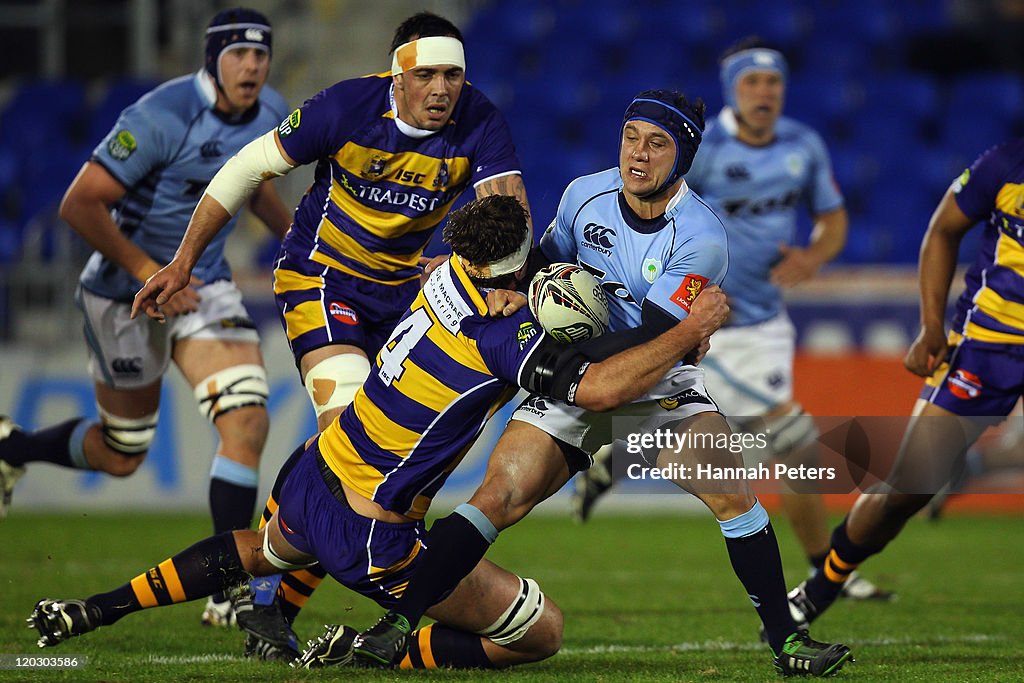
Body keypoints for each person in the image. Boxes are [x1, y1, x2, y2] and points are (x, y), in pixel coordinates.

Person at [28, 194, 731, 671]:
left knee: (261, 549)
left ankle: (100, 605)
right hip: (376, 536)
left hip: (314, 475)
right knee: (540, 631)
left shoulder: (445, 275)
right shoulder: (503, 336)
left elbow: (517, 282)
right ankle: (390, 650)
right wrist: (691, 329)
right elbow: (604, 387)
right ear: (517, 268)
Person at [346, 90, 853, 678]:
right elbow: (541, 263)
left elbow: (654, 341)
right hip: (577, 372)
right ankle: (398, 626)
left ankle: (787, 643)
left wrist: (567, 355)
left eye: (657, 143)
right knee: (497, 498)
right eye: (630, 137)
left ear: (683, 157)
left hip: (657, 375)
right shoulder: (584, 194)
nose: (637, 154)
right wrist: (476, 276)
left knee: (733, 493)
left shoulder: (702, 238)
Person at [131, 13, 532, 645]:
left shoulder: (479, 118)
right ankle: (266, 598)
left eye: (452, 75)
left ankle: (271, 607)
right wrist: (182, 263)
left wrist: (507, 279)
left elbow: (507, 205)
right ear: (396, 75)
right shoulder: (345, 107)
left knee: (373, 461)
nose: (441, 89)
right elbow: (244, 170)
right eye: (425, 74)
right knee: (346, 442)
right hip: (323, 278)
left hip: (406, 294)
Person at [0, 7, 291, 628]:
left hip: (204, 286)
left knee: (247, 418)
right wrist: (147, 273)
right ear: (212, 58)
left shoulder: (271, 112)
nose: (252, 66)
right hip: (123, 292)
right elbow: (78, 204)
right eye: (239, 54)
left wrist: (299, 241)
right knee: (122, 450)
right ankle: (13, 446)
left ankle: (226, 587)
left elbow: (257, 183)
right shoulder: (160, 116)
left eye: (261, 55)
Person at [571, 38, 891, 602]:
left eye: (773, 82)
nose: (764, 92)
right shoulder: (696, 148)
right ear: (731, 90)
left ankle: (615, 456)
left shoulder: (803, 146)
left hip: (762, 322)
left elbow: (832, 218)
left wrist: (813, 257)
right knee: (789, 440)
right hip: (696, 328)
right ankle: (827, 575)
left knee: (747, 443)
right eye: (751, 82)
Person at [784, 137, 1024, 628]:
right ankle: (823, 584)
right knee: (909, 489)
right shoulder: (1007, 163)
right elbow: (942, 231)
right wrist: (931, 325)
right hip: (987, 348)